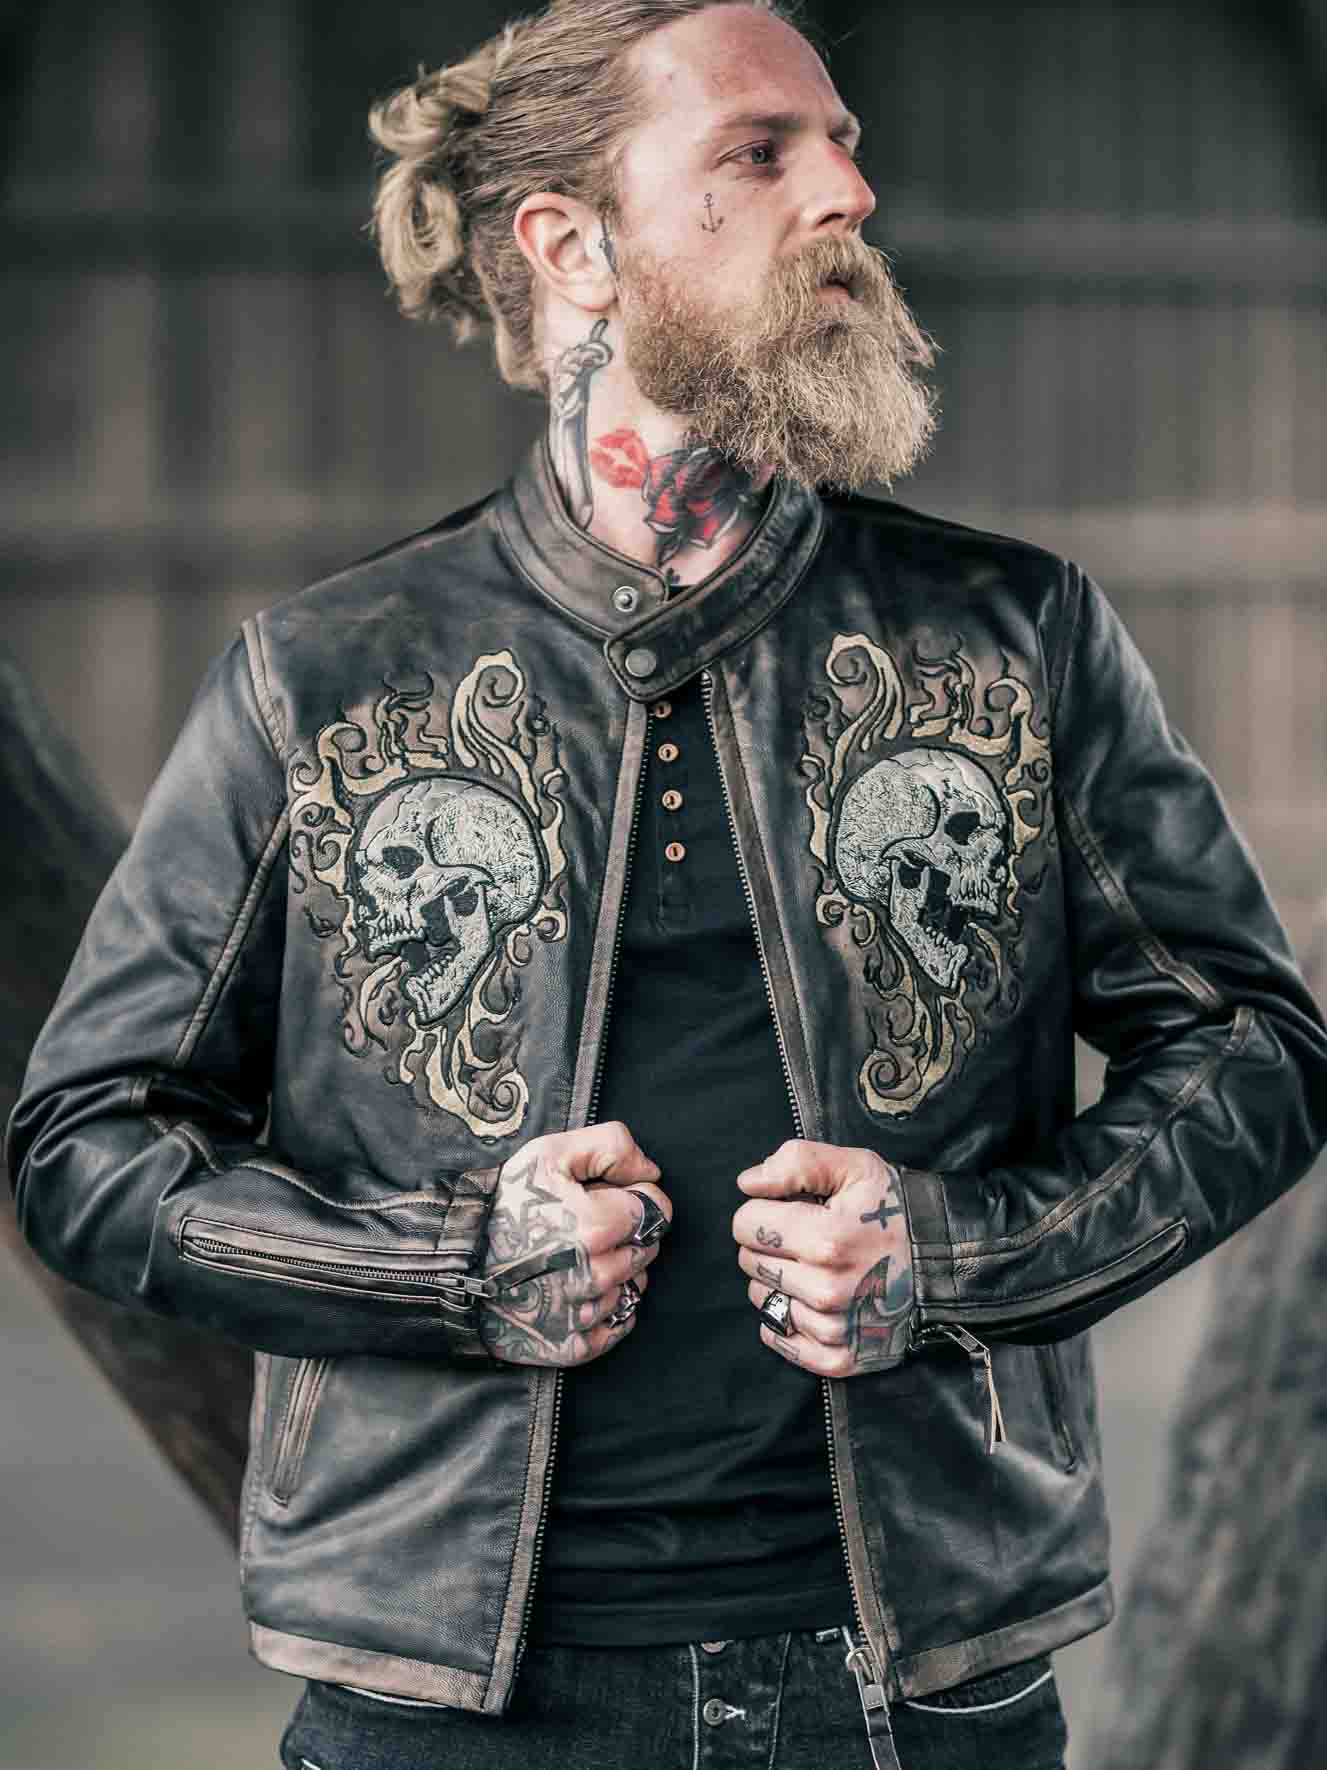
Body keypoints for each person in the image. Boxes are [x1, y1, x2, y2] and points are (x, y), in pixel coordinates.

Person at [8, 4, 1327, 1767]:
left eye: (842, 142)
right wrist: (459, 1266)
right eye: (760, 152)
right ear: (575, 246)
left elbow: (1257, 1048)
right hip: (450, 1709)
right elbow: (84, 1145)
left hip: (920, 1687)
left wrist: (955, 1252)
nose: (848, 191)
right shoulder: (320, 680)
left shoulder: (1017, 639)